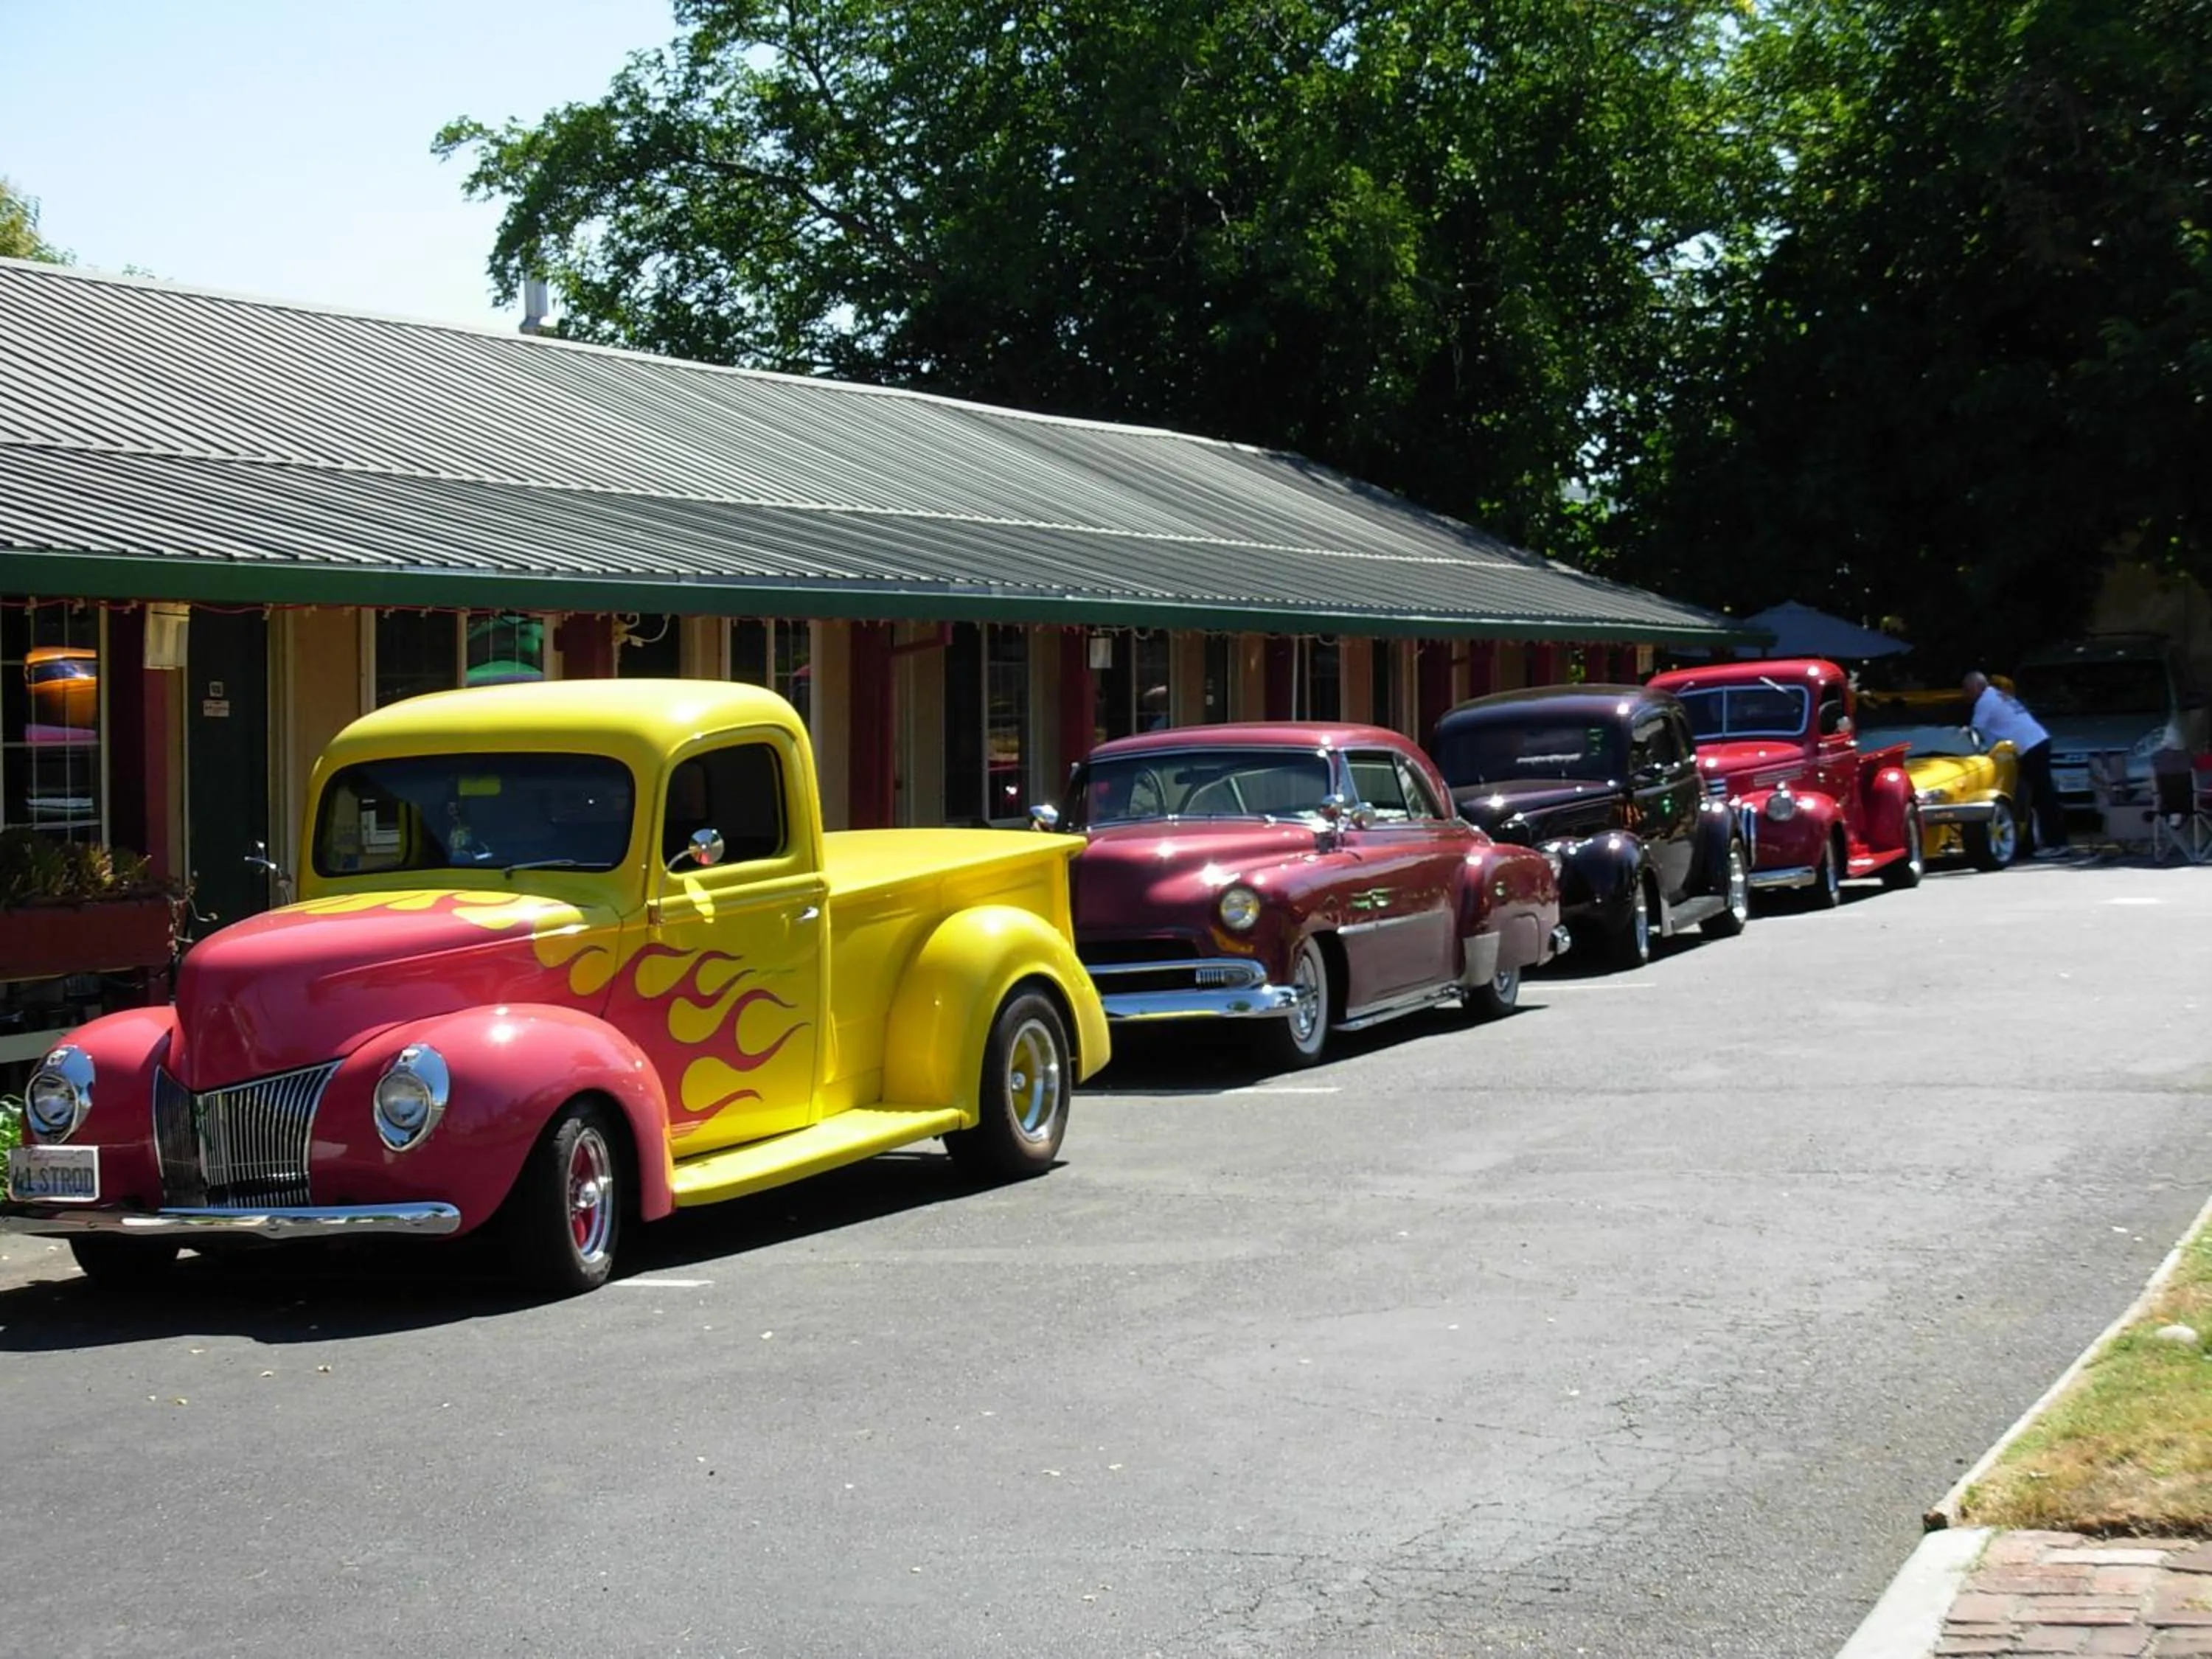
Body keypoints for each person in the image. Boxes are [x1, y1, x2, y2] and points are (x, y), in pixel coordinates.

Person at [1964, 670, 2069, 857]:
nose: (1966, 695)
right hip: (2037, 742)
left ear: (1975, 687)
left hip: (2030, 747)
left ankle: (2057, 843)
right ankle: (2036, 843)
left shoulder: (1985, 702)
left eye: (1967, 690)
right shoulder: (1996, 695)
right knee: (2033, 797)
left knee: (2041, 797)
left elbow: (1975, 733)